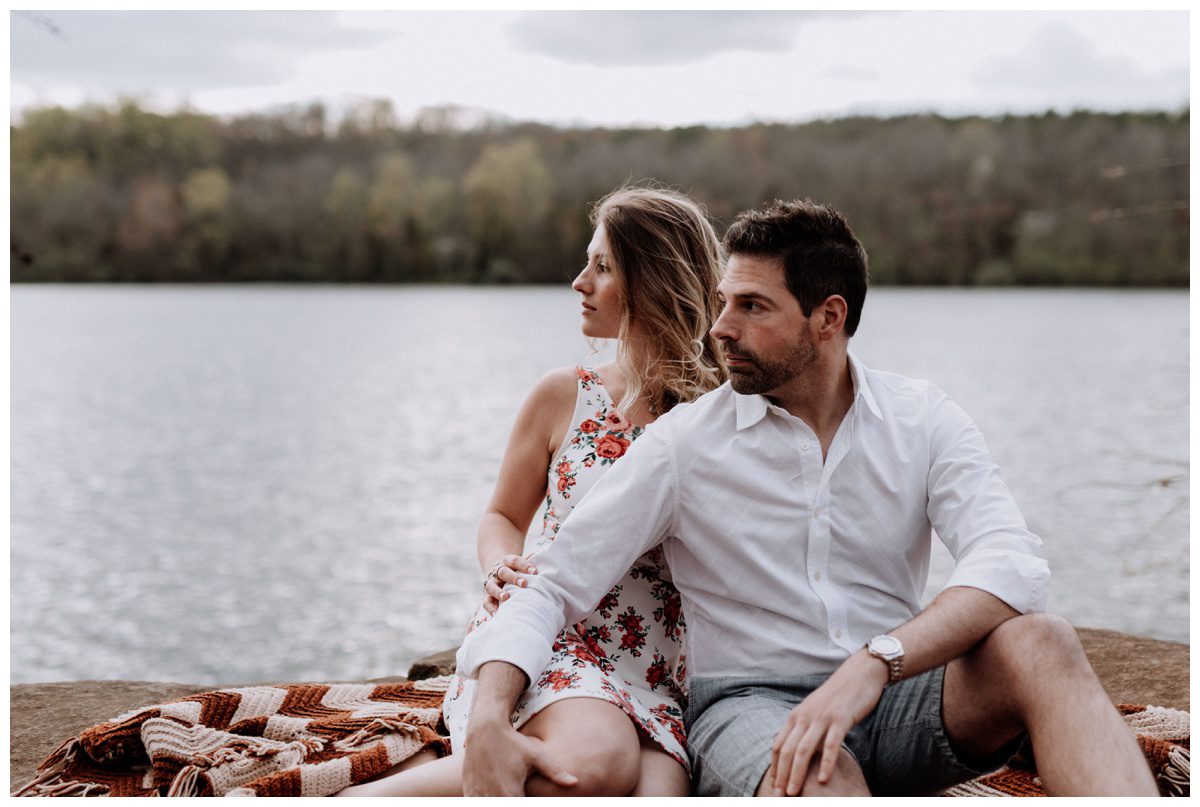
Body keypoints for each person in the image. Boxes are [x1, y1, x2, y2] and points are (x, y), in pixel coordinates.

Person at [454, 199, 1159, 796]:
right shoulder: (684, 444)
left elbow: (1011, 561)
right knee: (821, 775)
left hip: (900, 691)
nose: (719, 328)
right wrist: (489, 716)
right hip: (751, 705)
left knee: (1041, 638)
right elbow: (553, 584)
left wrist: (877, 661)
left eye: (752, 307)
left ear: (829, 317)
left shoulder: (921, 418)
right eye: (723, 302)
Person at [336, 185, 726, 797]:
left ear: (653, 281)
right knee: (595, 766)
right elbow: (501, 514)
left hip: (655, 669)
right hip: (547, 641)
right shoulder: (564, 395)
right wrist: (499, 567)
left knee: (656, 796)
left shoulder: (723, 414)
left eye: (602, 267)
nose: (579, 282)